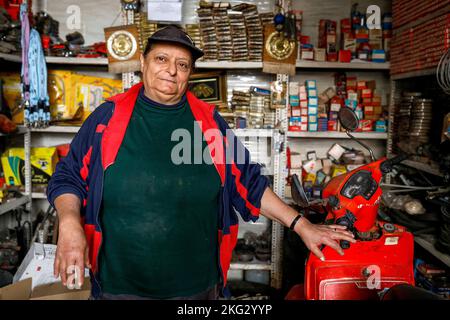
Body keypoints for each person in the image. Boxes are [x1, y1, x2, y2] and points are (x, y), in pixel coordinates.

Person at [47, 25, 355, 300]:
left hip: (198, 288)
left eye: (182, 64)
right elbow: (68, 177)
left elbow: (248, 184)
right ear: (142, 62)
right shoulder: (108, 118)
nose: (171, 70)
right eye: (161, 59)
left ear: (189, 74)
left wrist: (302, 226)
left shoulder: (208, 124)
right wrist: (70, 224)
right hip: (120, 286)